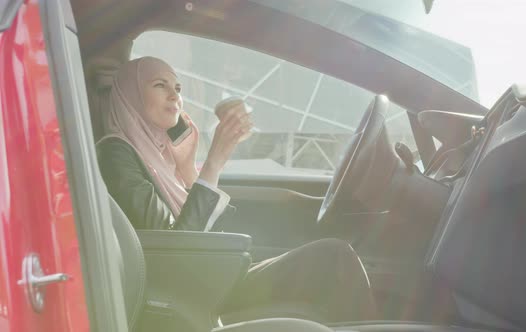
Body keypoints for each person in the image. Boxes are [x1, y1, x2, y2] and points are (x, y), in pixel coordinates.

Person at [96, 56, 378, 322]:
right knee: (334, 258)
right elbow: (176, 248)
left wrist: (187, 170)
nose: (175, 95)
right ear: (130, 96)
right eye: (160, 85)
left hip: (210, 276)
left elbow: (202, 229)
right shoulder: (115, 153)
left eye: (178, 87)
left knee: (331, 257)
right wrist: (214, 161)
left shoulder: (159, 155)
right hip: (190, 293)